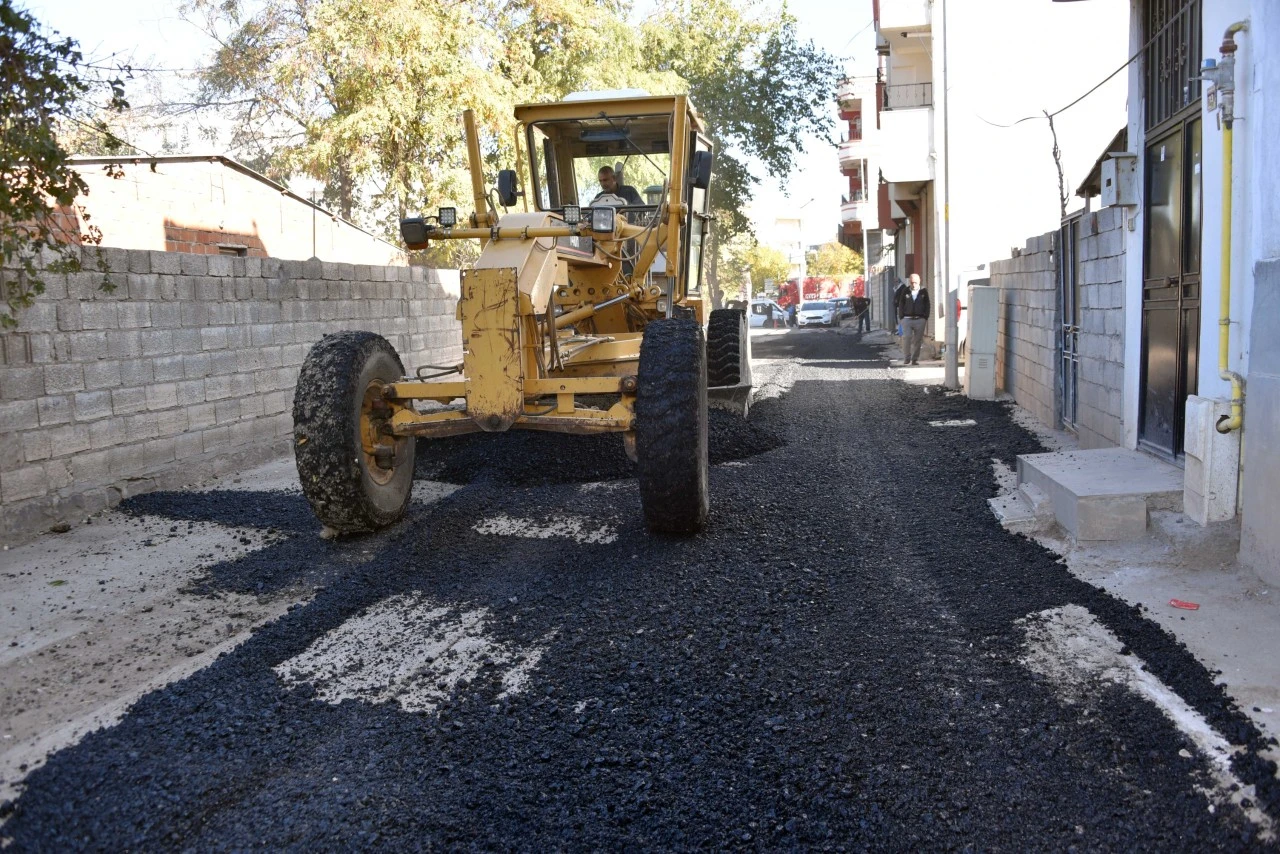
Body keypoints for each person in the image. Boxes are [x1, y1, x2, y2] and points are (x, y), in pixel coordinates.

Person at [895, 273, 930, 365]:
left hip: (920, 319)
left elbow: (927, 304)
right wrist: (901, 317)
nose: (913, 284)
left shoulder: (923, 291)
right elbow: (901, 303)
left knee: (918, 340)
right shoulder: (905, 291)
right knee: (906, 338)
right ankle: (907, 358)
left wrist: (925, 317)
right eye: (911, 282)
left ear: (919, 282)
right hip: (907, 319)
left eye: (915, 282)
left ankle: (915, 359)